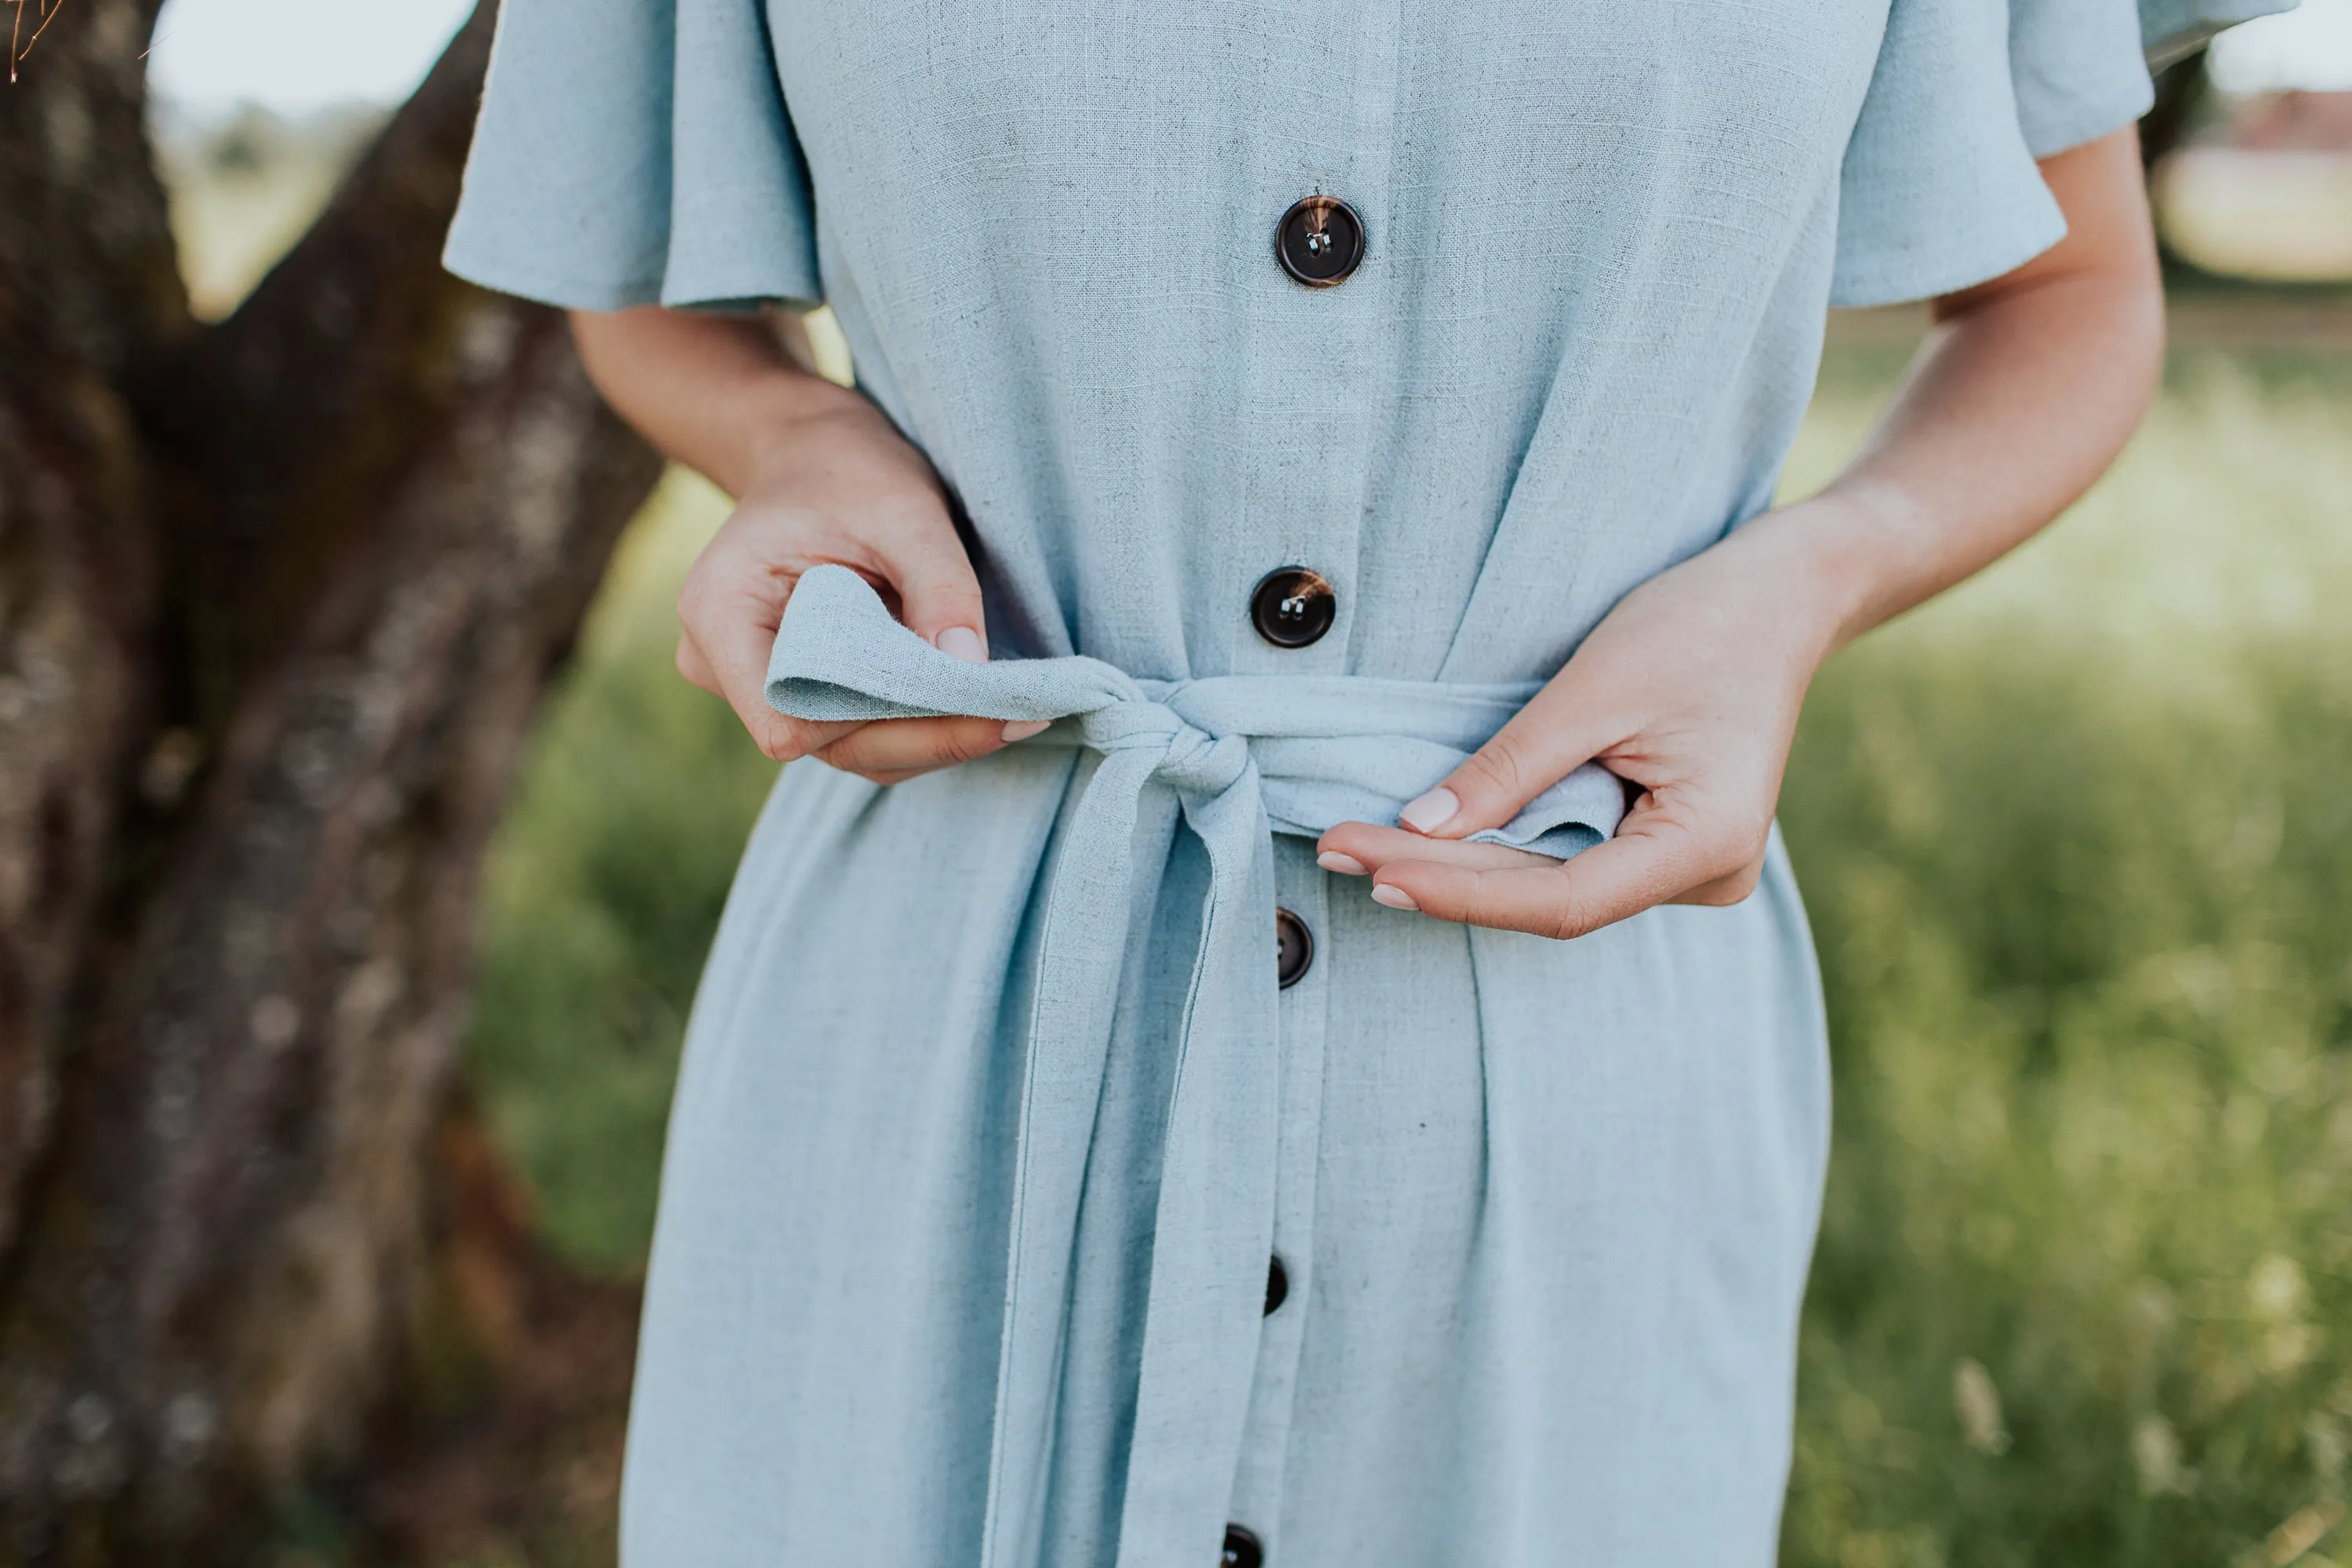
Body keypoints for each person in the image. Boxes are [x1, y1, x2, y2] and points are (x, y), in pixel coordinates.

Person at [444, 2, 2172, 1563]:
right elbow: (638, 280)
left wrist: (1813, 581)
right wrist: (793, 440)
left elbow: (2070, 294)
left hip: (1569, 1056)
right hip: (931, 1057)